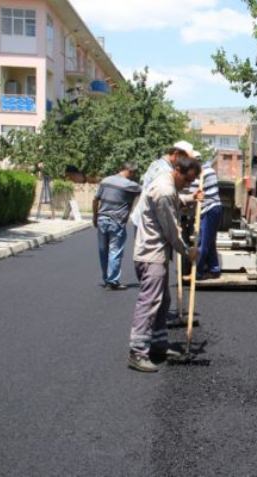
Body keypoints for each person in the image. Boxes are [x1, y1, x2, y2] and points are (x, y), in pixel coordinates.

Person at [128, 155, 202, 373]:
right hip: (151, 254)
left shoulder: (167, 183)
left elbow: (174, 201)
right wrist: (187, 251)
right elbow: (171, 230)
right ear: (177, 170)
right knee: (150, 302)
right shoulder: (164, 190)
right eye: (186, 181)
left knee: (162, 300)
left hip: (154, 253)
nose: (187, 185)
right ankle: (137, 352)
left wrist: (189, 199)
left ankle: (158, 344)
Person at [92, 162, 142, 290]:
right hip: (117, 222)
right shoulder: (130, 185)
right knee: (115, 250)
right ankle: (113, 280)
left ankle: (106, 278)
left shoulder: (105, 181)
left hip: (102, 219)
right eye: (133, 174)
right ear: (130, 172)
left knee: (103, 251)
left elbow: (95, 199)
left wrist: (95, 216)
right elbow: (144, 192)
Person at [130, 140, 201, 228]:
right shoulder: (165, 172)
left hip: (144, 220)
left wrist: (190, 197)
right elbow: (164, 198)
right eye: (185, 159)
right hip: (149, 225)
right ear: (176, 154)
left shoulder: (157, 164)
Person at [185, 161, 223, 280]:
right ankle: (214, 269)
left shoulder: (201, 176)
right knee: (210, 241)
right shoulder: (210, 170)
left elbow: (191, 193)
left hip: (209, 209)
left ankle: (198, 272)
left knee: (203, 242)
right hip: (215, 208)